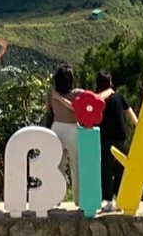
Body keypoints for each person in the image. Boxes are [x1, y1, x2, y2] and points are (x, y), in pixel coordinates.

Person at [94, 70, 138, 213]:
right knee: (121, 169)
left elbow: (94, 103)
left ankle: (108, 201)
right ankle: (122, 198)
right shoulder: (119, 97)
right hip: (121, 137)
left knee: (106, 169)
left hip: (105, 138)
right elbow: (133, 118)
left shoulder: (99, 99)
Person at [47, 64, 82, 206]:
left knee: (58, 166)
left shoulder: (52, 94)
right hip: (73, 129)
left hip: (57, 130)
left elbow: (48, 110)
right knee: (76, 166)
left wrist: (58, 98)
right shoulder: (78, 93)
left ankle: (57, 199)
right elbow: (77, 107)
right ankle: (79, 200)